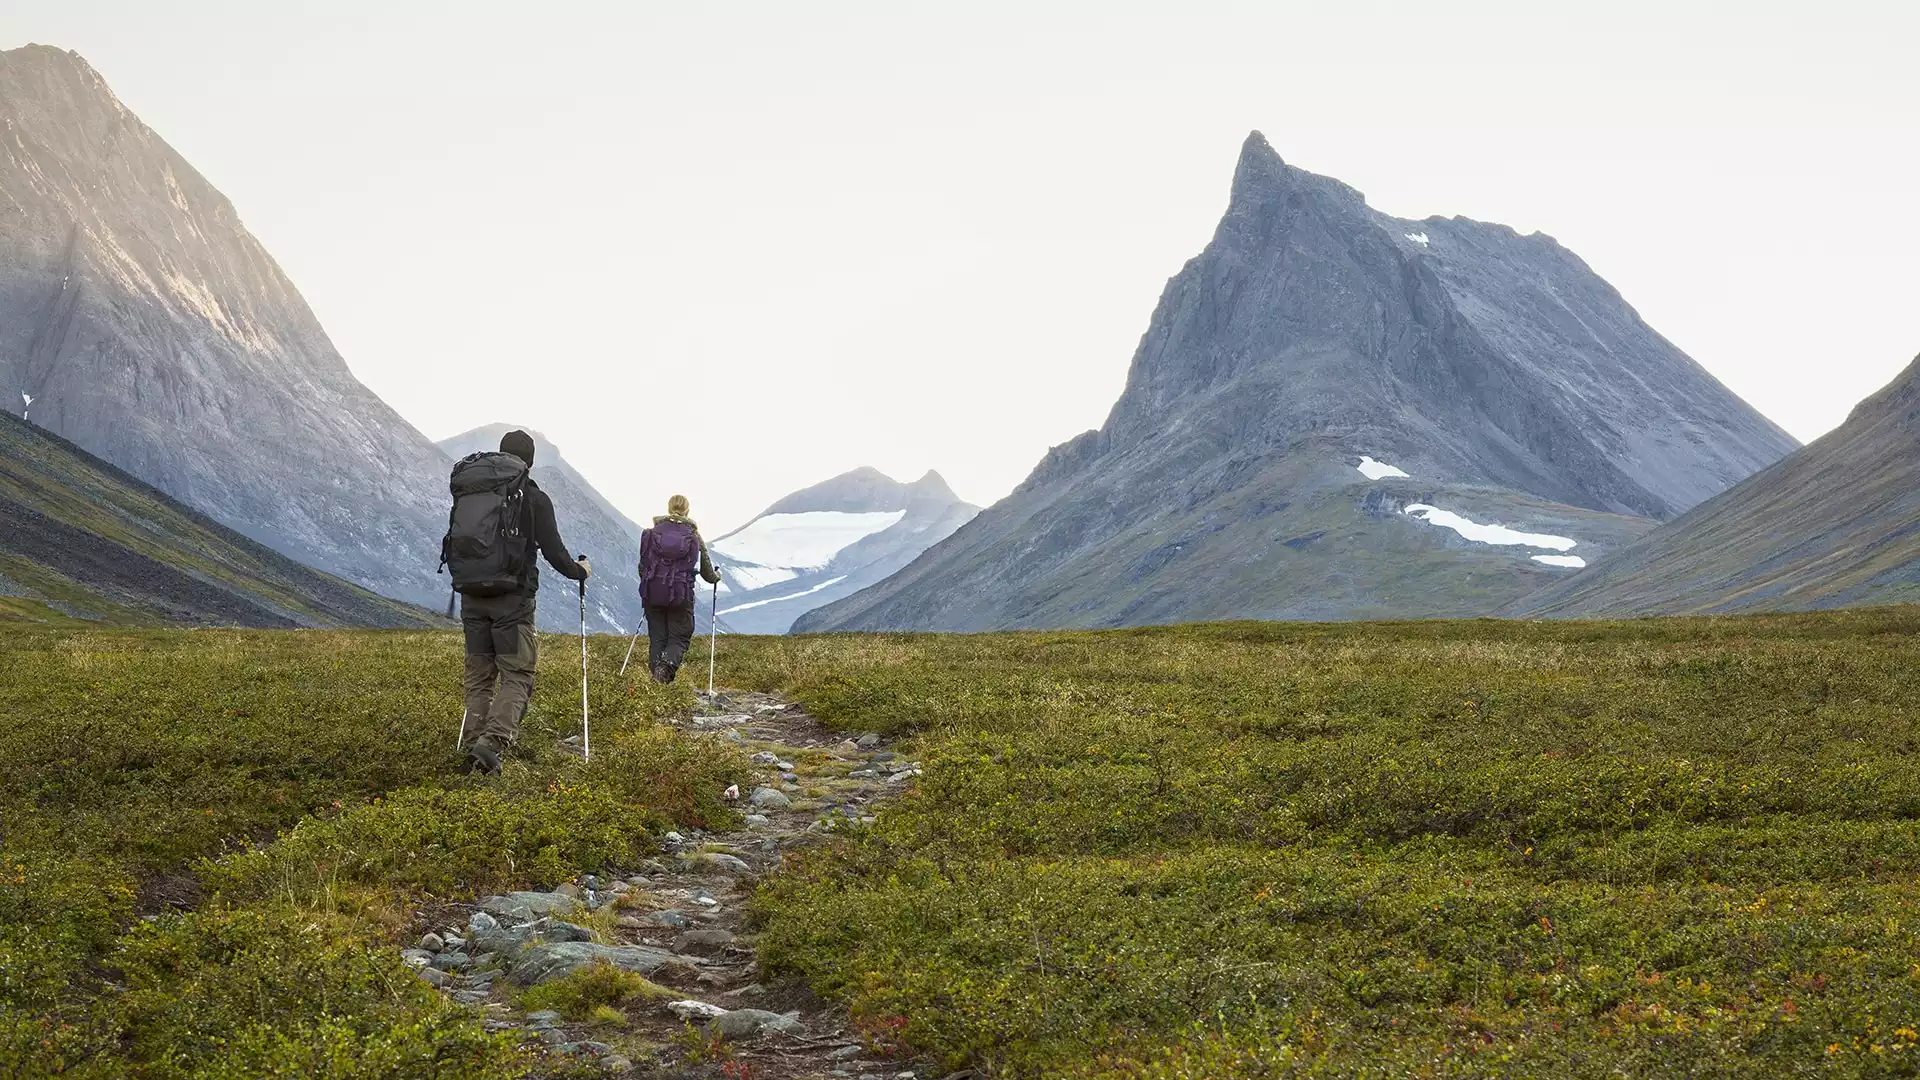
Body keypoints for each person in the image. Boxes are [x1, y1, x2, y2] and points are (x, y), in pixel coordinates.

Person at [454, 429, 589, 774]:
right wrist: (580, 571)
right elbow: (555, 552)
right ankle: (491, 743)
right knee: (517, 673)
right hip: (511, 601)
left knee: (480, 675)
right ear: (528, 463)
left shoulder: (474, 492)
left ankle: (472, 744)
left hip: (471, 596)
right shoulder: (533, 498)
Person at [638, 494, 722, 683]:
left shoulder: (651, 534)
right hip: (680, 594)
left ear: (668, 509)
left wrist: (653, 582)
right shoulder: (693, 536)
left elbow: (642, 566)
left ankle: (656, 683)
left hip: (652, 593)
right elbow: (707, 573)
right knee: (680, 636)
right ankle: (665, 670)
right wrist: (717, 576)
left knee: (657, 637)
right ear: (687, 510)